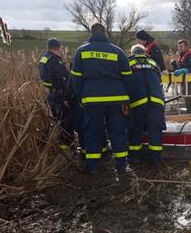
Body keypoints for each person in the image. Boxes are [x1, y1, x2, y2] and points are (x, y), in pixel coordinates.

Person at [70, 23, 133, 175]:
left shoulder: (81, 51)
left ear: (91, 32)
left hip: (92, 98)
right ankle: (121, 166)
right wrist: (127, 100)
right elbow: (128, 79)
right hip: (117, 98)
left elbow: (76, 78)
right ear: (105, 32)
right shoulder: (118, 51)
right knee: (117, 132)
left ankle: (92, 166)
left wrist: (81, 97)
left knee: (93, 131)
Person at [38, 38, 81, 150]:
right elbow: (57, 77)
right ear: (57, 48)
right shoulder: (54, 60)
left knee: (60, 120)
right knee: (65, 121)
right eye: (61, 48)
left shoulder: (44, 58)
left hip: (51, 94)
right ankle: (66, 147)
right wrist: (64, 93)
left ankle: (67, 144)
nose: (62, 51)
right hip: (59, 95)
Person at [127, 45, 166, 166]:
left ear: (132, 53)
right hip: (156, 100)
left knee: (135, 129)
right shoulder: (153, 62)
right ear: (144, 52)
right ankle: (156, 160)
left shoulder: (128, 62)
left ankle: (135, 158)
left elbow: (125, 83)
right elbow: (159, 82)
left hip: (138, 101)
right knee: (155, 130)